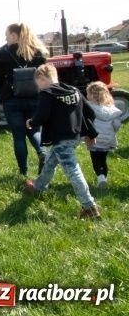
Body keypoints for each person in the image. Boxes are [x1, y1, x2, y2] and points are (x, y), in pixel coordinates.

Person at [25, 65, 101, 219]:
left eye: (37, 84)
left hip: (60, 137)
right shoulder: (73, 90)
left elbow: (42, 117)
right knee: (51, 161)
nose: (38, 88)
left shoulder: (47, 93)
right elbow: (90, 113)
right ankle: (39, 187)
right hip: (73, 136)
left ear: (41, 78)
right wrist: (90, 133)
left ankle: (89, 206)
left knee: (72, 170)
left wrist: (31, 122)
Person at [0, 22, 48, 177]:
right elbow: (45, 75)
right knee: (34, 130)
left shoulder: (4, 52)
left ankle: (24, 172)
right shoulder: (38, 52)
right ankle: (42, 152)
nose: (5, 37)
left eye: (7, 34)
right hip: (35, 97)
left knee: (19, 137)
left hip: (12, 99)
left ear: (14, 35)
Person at [84, 81, 121, 189]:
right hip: (107, 139)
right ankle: (104, 179)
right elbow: (116, 124)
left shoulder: (88, 107)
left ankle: (101, 178)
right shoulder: (112, 110)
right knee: (103, 160)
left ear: (91, 94)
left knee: (96, 160)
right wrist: (112, 132)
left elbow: (85, 122)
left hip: (94, 139)